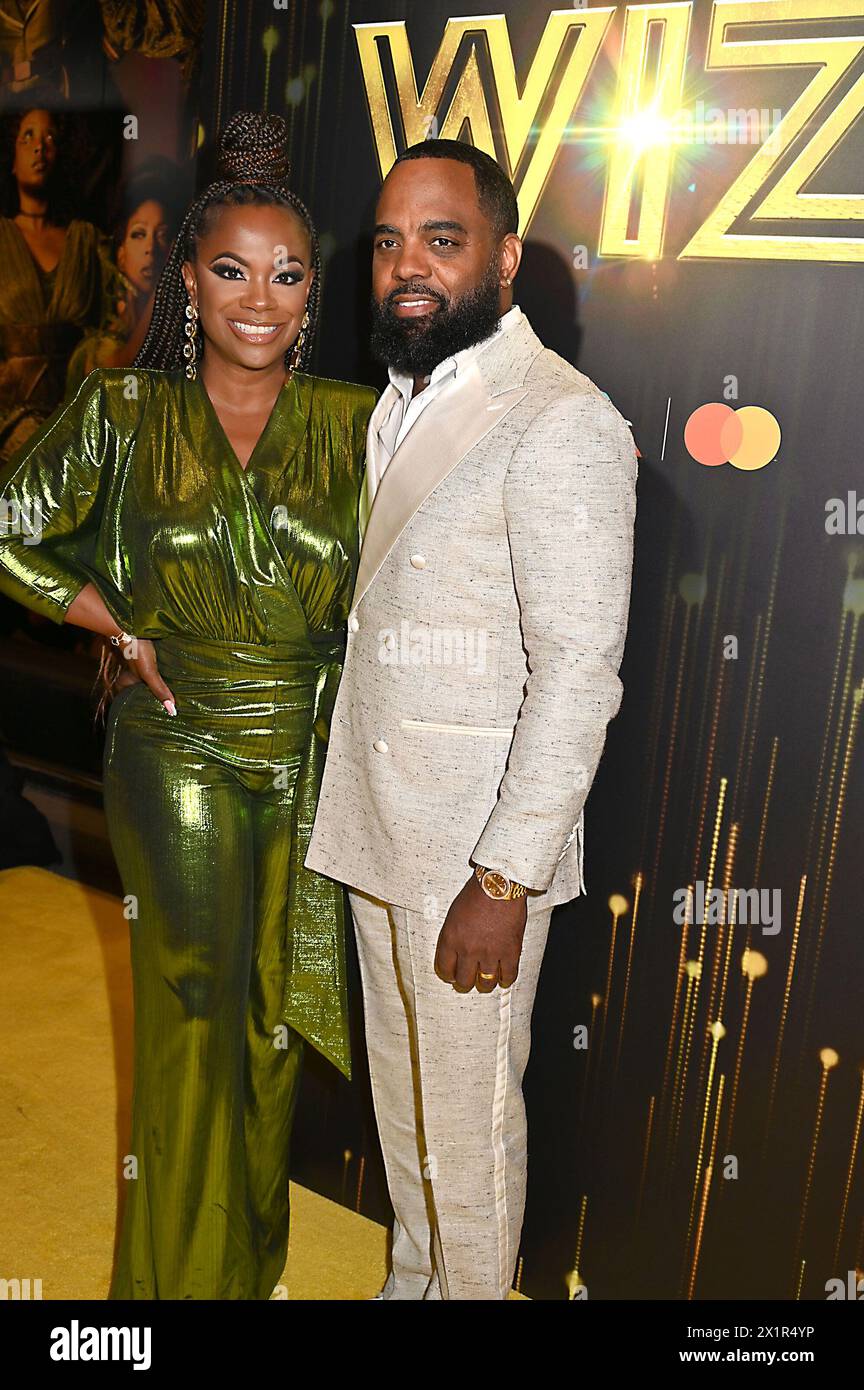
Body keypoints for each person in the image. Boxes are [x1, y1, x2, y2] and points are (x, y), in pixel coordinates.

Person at [0, 110, 376, 1299]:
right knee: (194, 1009)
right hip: (177, 740)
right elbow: (10, 533)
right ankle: (164, 1290)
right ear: (189, 284)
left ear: (312, 290)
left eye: (285, 273)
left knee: (271, 1022)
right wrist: (110, 620)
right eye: (228, 270)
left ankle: (245, 1265)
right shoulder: (121, 412)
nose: (257, 299)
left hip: (307, 746)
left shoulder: (359, 424)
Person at [306, 139, 639, 1300]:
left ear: (502, 260)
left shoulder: (561, 421)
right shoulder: (397, 401)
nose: (408, 266)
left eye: (441, 242)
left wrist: (502, 879)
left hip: (472, 863)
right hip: (380, 829)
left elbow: (579, 674)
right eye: (390, 241)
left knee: (471, 1135)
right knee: (404, 1113)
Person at [0, 104, 107, 463]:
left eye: (50, 138)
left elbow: (109, 330)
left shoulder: (86, 241)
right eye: (27, 136)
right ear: (12, 159)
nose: (39, 147)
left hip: (76, 419)